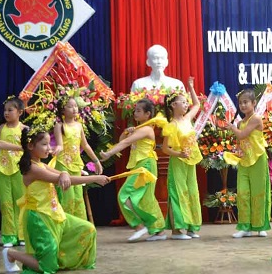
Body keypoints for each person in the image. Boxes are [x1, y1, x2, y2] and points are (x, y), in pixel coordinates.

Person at [2, 127, 109, 274]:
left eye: (49, 144)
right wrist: (96, 178)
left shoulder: (41, 165)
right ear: (31, 146)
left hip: (54, 214)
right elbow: (64, 179)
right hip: (40, 218)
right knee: (47, 268)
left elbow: (63, 175)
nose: (49, 148)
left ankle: (53, 258)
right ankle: (11, 254)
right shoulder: (33, 169)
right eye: (45, 144)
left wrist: (64, 172)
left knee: (87, 229)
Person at [100, 99, 167, 242]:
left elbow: (125, 143)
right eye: (135, 110)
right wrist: (127, 132)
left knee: (124, 195)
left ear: (148, 114)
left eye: (138, 111)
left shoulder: (147, 129)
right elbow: (122, 139)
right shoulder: (140, 128)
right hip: (142, 165)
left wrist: (109, 154)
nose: (135, 113)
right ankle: (158, 230)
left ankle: (139, 226)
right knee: (145, 198)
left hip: (146, 166)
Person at [224, 89, 271, 238]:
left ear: (254, 103)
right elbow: (241, 141)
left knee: (258, 192)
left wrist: (232, 128)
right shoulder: (241, 122)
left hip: (257, 158)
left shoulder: (256, 119)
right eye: (241, 103)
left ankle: (260, 226)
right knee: (243, 193)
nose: (243, 105)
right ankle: (245, 227)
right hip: (245, 160)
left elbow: (243, 134)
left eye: (246, 102)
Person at [162, 77, 203, 240]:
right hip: (178, 162)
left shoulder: (187, 119)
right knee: (179, 193)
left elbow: (197, 105)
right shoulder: (171, 125)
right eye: (183, 102)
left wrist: (191, 87)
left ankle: (192, 227)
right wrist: (179, 154)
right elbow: (165, 149)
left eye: (186, 103)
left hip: (190, 161)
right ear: (173, 105)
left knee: (192, 192)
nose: (186, 105)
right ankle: (178, 230)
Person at [53, 97, 103, 220]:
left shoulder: (79, 125)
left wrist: (96, 161)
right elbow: (59, 144)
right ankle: (66, 230)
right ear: (63, 110)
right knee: (67, 198)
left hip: (76, 164)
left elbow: (85, 145)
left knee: (78, 199)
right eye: (70, 106)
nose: (74, 109)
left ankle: (80, 231)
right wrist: (55, 150)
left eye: (75, 106)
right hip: (63, 164)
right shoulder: (59, 126)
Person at [0, 96, 26, 247]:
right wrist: (18, 147)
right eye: (5, 110)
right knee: (6, 203)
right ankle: (8, 236)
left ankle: (22, 234)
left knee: (20, 201)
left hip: (20, 169)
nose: (6, 113)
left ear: (19, 112)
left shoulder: (24, 129)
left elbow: (30, 148)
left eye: (10, 110)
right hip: (3, 168)